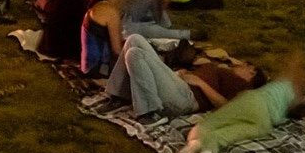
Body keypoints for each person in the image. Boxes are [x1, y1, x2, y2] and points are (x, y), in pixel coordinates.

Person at [180, 68, 305, 153]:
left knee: (208, 125)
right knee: (227, 134)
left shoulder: (284, 85)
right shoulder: (294, 108)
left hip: (254, 102)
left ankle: (195, 144)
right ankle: (209, 150)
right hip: (265, 124)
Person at [101, 34, 239, 121]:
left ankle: (149, 112)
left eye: (246, 65)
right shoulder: (223, 68)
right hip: (179, 83)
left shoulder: (241, 83)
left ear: (252, 72)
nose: (242, 63)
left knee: (135, 54)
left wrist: (201, 84)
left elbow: (228, 107)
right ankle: (119, 96)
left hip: (186, 99)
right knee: (133, 39)